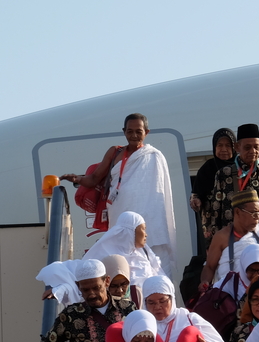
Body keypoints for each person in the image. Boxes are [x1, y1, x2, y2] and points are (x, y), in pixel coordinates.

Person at [61, 114, 177, 277]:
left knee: (151, 257)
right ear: (124, 132)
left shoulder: (154, 156)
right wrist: (77, 179)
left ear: (147, 132)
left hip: (148, 218)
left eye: (139, 131)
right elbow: (95, 178)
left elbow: (159, 195)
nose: (134, 135)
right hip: (120, 213)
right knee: (121, 256)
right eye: (130, 131)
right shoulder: (115, 152)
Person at [34, 259, 135, 342]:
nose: (91, 294)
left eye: (96, 288)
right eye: (86, 290)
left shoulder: (128, 309)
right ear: (78, 286)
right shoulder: (72, 314)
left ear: (107, 281)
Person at [142, 275, 229, 342]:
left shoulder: (190, 319)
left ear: (172, 299)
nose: (157, 307)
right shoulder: (142, 324)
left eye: (163, 301)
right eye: (151, 302)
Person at [84, 211, 164, 303]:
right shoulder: (106, 256)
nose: (146, 234)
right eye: (143, 229)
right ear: (131, 232)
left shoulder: (144, 254)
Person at [191, 127, 236, 241]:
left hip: (238, 223)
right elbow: (196, 194)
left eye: (228, 145)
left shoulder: (241, 166)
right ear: (214, 147)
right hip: (213, 224)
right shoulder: (207, 168)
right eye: (220, 145)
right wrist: (196, 201)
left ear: (234, 147)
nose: (224, 149)